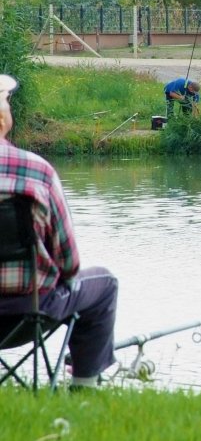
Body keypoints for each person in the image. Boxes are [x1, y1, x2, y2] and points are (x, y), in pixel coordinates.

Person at [0, 74, 118, 389]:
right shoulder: (37, 172)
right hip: (32, 310)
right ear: (3, 117)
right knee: (104, 284)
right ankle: (84, 387)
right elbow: (69, 265)